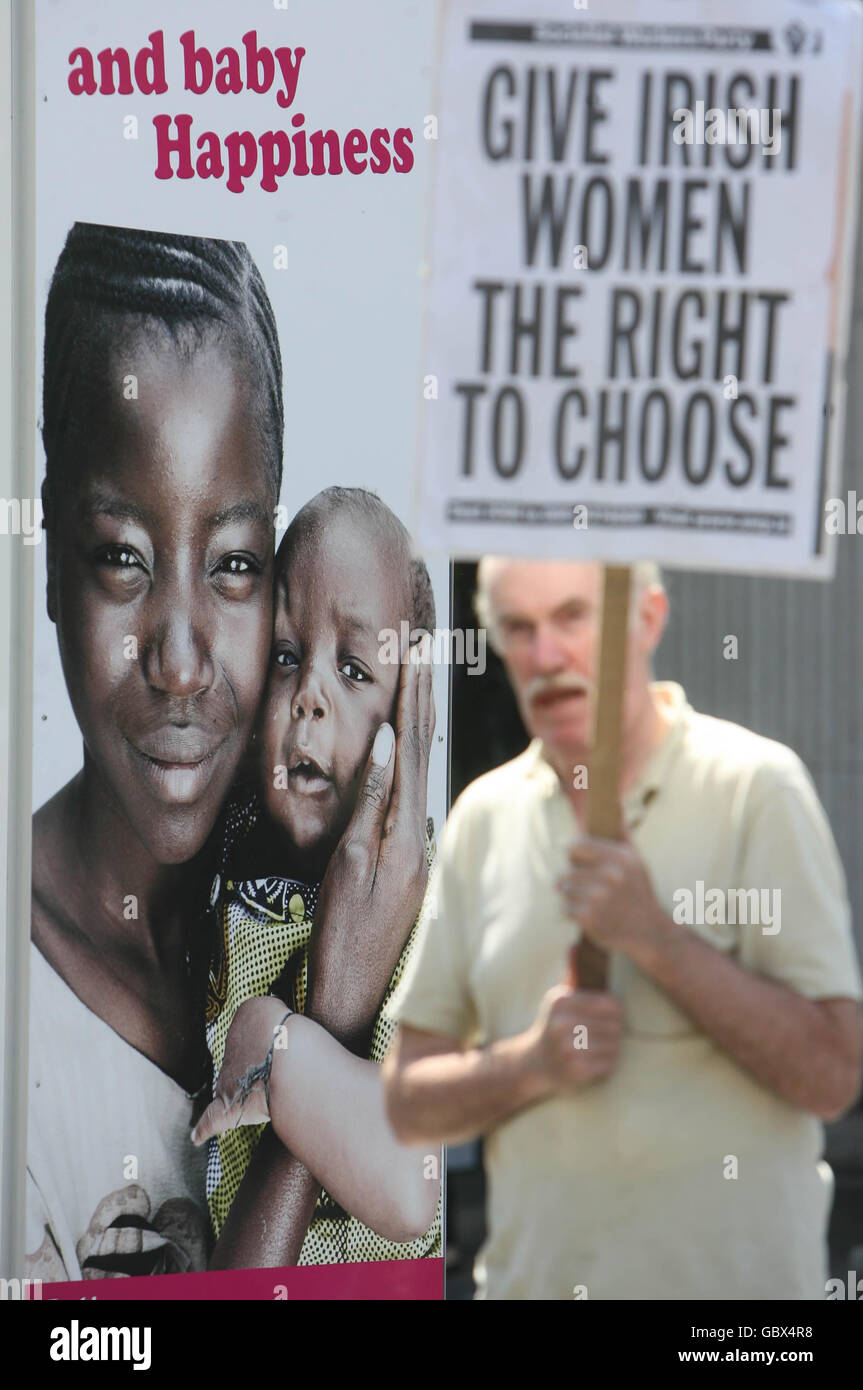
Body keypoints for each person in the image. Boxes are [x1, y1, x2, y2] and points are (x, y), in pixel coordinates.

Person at [25, 224, 430, 1282]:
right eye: (121, 556)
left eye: (236, 563)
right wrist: (325, 1022)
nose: (180, 659)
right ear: (47, 561)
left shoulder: (335, 890)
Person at [383, 558, 863, 1300]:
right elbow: (408, 1101)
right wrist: (529, 1065)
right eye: (518, 628)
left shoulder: (754, 790)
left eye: (573, 617)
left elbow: (832, 1076)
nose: (546, 656)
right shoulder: (484, 816)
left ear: (647, 618)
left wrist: (655, 941)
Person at [192, 488, 441, 1262]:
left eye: (355, 670)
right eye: (287, 656)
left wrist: (281, 1048)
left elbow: (409, 1185)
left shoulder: (430, 921)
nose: (309, 698)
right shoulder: (222, 898)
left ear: (409, 714)